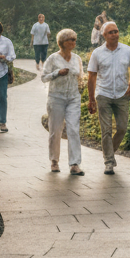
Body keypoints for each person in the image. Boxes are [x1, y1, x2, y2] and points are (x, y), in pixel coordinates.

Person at [87, 21, 130, 175]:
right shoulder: (97, 53)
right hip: (104, 94)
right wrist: (91, 99)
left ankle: (110, 152)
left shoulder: (127, 50)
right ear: (104, 35)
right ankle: (109, 161)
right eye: (111, 32)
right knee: (106, 130)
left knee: (122, 128)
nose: (115, 34)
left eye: (116, 31)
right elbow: (91, 77)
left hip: (123, 95)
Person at [41, 28, 85, 175]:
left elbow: (81, 76)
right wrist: (57, 73)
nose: (73, 42)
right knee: (55, 130)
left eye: (74, 40)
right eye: (70, 40)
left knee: (73, 129)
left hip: (73, 97)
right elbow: (43, 77)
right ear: (62, 42)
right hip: (56, 97)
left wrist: (82, 87)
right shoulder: (53, 58)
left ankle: (74, 164)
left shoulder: (77, 58)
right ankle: (54, 161)